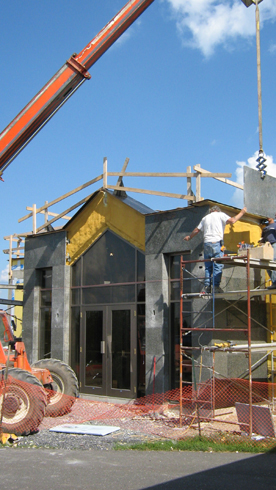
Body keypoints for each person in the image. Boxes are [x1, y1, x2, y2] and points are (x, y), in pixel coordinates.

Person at [184, 205, 247, 293]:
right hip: (216, 243)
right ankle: (216, 287)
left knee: (208, 267)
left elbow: (197, 230)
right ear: (217, 210)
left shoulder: (205, 218)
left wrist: (189, 237)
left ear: (211, 211)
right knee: (218, 265)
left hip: (207, 244)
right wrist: (242, 212)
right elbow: (233, 220)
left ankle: (207, 287)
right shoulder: (220, 215)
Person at [259, 216, 276, 289]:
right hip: (267, 246)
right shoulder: (265, 228)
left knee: (273, 262)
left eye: (270, 216)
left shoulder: (275, 225)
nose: (268, 217)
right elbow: (263, 238)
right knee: (267, 264)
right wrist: (261, 241)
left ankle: (275, 283)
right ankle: (274, 282)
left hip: (274, 244)